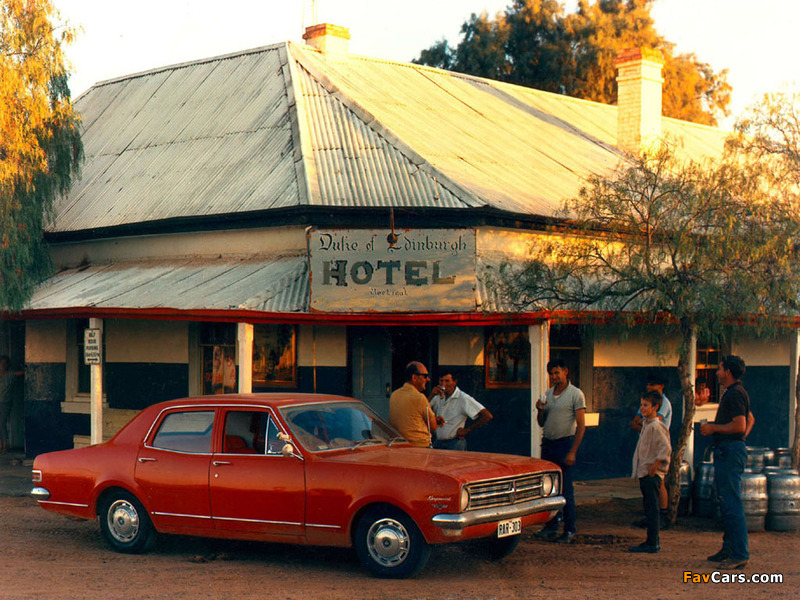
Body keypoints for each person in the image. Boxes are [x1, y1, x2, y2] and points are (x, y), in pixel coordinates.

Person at [700, 355, 756, 570]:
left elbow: (740, 425)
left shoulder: (735, 394)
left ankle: (739, 553)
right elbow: (750, 420)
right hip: (730, 449)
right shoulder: (734, 393)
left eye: (720, 369)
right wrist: (739, 439)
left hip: (729, 452)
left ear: (728, 372)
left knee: (731, 502)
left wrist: (714, 428)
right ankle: (730, 548)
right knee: (726, 501)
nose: (717, 372)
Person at [534, 359, 586, 544]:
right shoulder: (548, 394)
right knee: (549, 488)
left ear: (565, 371)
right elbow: (542, 422)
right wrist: (540, 410)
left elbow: (581, 426)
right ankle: (550, 527)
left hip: (565, 444)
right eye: (552, 374)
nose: (554, 376)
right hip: (548, 444)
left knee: (566, 490)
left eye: (557, 372)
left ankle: (569, 530)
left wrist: (572, 451)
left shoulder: (576, 394)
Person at [628, 390, 671, 554]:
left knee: (652, 508)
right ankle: (650, 540)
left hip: (651, 474)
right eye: (641, 405)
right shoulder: (646, 425)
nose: (642, 408)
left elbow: (665, 448)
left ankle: (653, 542)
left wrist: (656, 465)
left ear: (655, 407)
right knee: (648, 506)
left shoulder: (656, 427)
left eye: (646, 405)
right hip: (644, 472)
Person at [429, 371, 492, 450]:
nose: (444, 384)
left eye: (447, 381)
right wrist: (432, 395)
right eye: (441, 381)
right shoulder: (437, 397)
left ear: (454, 382)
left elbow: (487, 415)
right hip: (438, 442)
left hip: (454, 443)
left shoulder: (463, 398)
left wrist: (467, 430)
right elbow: (423, 409)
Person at [389, 361, 442, 448]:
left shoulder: (394, 395)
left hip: (399, 445)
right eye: (425, 376)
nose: (428, 379)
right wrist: (435, 421)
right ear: (414, 377)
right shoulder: (419, 397)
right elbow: (433, 426)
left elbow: (410, 417)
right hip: (419, 445)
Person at [0, 356, 23, 455]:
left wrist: (23, 366)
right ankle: (2, 445)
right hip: (4, 401)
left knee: (1, 423)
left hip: (5, 402)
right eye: (2, 363)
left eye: (5, 363)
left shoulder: (10, 375)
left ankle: (4, 446)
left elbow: (22, 372)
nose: (3, 365)